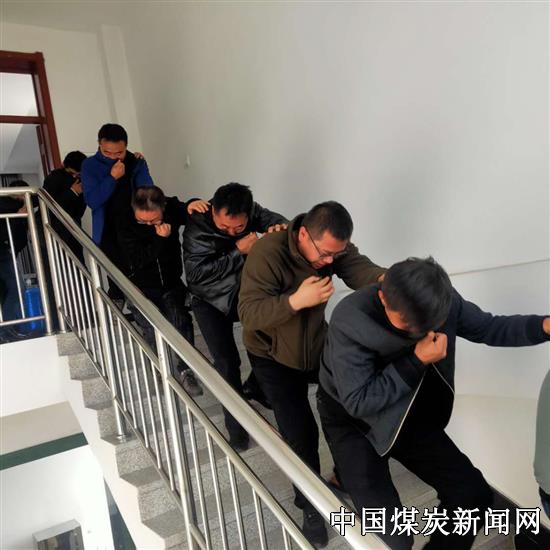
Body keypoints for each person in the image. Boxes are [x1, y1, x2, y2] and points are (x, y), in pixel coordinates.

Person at [317, 257, 550, 550]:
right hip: (352, 421)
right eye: (407, 325)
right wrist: (416, 360)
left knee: (472, 495)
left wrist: (544, 326)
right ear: (382, 296)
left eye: (427, 325)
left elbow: (489, 327)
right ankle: (344, 478)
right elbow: (358, 401)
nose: (418, 332)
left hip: (405, 414)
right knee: (391, 541)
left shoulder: (441, 300)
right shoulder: (351, 318)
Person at [238, 201, 385, 546]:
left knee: (352, 404)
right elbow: (249, 313)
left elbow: (358, 268)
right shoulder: (267, 252)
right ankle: (310, 507)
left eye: (336, 253)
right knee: (300, 433)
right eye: (325, 253)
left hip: (317, 345)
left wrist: (388, 280)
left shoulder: (330, 249)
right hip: (271, 356)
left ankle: (343, 478)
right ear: (304, 234)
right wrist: (295, 301)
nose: (329, 261)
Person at [183, 182, 287, 450]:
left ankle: (254, 388)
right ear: (213, 211)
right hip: (209, 301)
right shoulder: (197, 226)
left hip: (243, 294)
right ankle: (236, 429)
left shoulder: (251, 211)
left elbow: (275, 220)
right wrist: (238, 249)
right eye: (224, 227)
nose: (231, 231)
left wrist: (279, 226)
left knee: (274, 342)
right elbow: (196, 274)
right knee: (227, 363)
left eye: (238, 228)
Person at [117, 186, 208, 396]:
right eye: (144, 221)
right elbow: (137, 260)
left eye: (154, 220)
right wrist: (160, 238)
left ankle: (186, 370)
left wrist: (192, 203)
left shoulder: (171, 208)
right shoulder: (125, 221)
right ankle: (160, 369)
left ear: (163, 207)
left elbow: (186, 210)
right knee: (151, 329)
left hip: (170, 282)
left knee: (181, 322)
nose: (149, 225)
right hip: (139, 285)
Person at [81, 123, 153, 302]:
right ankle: (116, 310)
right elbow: (93, 201)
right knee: (118, 279)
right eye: (107, 152)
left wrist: (137, 163)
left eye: (119, 153)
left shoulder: (136, 162)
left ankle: (140, 313)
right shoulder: (89, 165)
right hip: (108, 231)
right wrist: (112, 177)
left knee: (142, 278)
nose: (113, 157)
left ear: (126, 146)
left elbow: (148, 194)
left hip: (137, 228)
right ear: (99, 144)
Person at [42, 150, 87, 260]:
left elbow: (80, 211)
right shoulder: (54, 178)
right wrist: (72, 192)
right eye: (71, 173)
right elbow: (49, 205)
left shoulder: (82, 180)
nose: (75, 176)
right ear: (63, 165)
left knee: (78, 263)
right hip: (55, 229)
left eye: (78, 174)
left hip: (73, 228)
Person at [0, 181, 31, 342]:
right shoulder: (6, 205)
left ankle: (9, 329)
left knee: (14, 288)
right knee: (16, 287)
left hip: (7, 252)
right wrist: (17, 216)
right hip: (4, 252)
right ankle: (7, 329)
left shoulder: (14, 205)